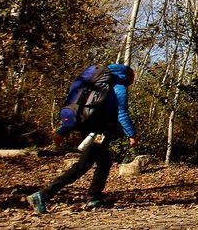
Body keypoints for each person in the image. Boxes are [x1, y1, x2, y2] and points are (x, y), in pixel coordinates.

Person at [26, 63, 138, 213]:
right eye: (132, 78)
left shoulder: (96, 84)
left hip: (88, 129)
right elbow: (122, 114)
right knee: (83, 165)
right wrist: (132, 134)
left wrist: (63, 130)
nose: (132, 81)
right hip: (99, 133)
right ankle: (43, 195)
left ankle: (94, 198)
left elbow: (78, 108)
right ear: (128, 76)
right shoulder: (119, 88)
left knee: (104, 161)